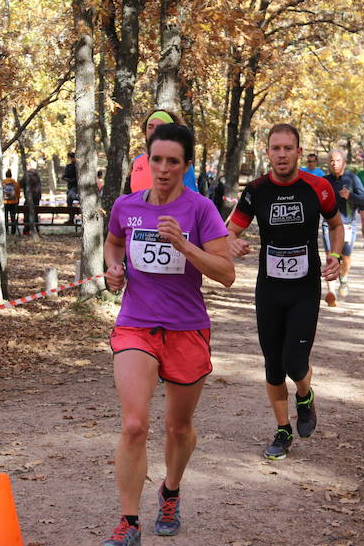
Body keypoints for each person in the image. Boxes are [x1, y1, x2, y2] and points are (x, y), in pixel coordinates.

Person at [102, 123, 233, 545]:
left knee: (179, 427)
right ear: (146, 161)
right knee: (135, 424)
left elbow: (226, 274)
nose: (162, 169)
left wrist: (185, 246)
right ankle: (129, 524)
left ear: (185, 166)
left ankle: (171, 491)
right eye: (155, 160)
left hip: (186, 329)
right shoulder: (126, 206)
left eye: (172, 162)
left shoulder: (201, 210)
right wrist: (114, 270)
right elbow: (113, 243)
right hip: (136, 326)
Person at [226, 123, 342, 460]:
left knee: (294, 360)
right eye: (275, 149)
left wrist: (335, 257)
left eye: (287, 148)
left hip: (304, 288)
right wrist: (232, 242)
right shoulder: (257, 190)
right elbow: (229, 230)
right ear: (267, 152)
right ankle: (282, 430)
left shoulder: (317, 187)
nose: (281, 155)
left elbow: (335, 225)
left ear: (298, 151)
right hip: (269, 289)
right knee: (273, 366)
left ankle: (305, 397)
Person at [322, 149, 364, 304]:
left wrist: (350, 196)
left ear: (344, 163)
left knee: (345, 257)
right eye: (332, 161)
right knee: (331, 256)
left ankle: (344, 278)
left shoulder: (352, 178)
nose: (334, 163)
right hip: (329, 225)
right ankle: (331, 291)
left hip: (347, 224)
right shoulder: (324, 180)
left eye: (338, 160)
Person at [129, 110, 199, 194]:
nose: (154, 131)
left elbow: (191, 199)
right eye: (150, 127)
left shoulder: (181, 163)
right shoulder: (137, 161)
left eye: (160, 127)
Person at [20, 165, 42, 235]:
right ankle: (36, 229)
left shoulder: (27, 175)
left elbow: (20, 184)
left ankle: (26, 229)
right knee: (35, 212)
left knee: (26, 213)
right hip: (37, 197)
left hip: (29, 197)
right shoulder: (37, 176)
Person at [2, 169, 20, 235]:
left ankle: (6, 231)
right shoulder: (15, 183)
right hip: (13, 202)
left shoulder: (3, 183)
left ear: (6, 175)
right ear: (11, 175)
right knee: (13, 217)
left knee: (5, 217)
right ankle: (13, 231)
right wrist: (17, 200)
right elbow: (18, 193)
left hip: (5, 202)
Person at [62, 151, 79, 223]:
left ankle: (74, 217)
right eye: (71, 158)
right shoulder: (68, 167)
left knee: (70, 199)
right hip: (70, 187)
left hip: (77, 188)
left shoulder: (79, 167)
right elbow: (64, 177)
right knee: (69, 201)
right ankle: (71, 218)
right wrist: (69, 180)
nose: (72, 159)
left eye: (72, 158)